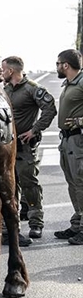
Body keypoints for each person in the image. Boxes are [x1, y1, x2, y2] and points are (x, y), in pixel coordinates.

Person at [2, 56, 56, 239]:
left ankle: (36, 222)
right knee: (10, 185)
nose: (1, 73)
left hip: (25, 147)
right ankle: (11, 223)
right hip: (7, 146)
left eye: (3, 70)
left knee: (29, 184)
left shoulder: (32, 88)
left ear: (11, 71)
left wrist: (35, 130)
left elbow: (49, 108)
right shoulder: (5, 90)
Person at [52, 49, 83, 245]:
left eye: (57, 64)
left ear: (65, 65)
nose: (56, 67)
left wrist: (80, 121)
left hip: (79, 140)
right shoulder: (70, 83)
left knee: (81, 184)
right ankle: (77, 223)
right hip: (67, 141)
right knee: (73, 184)